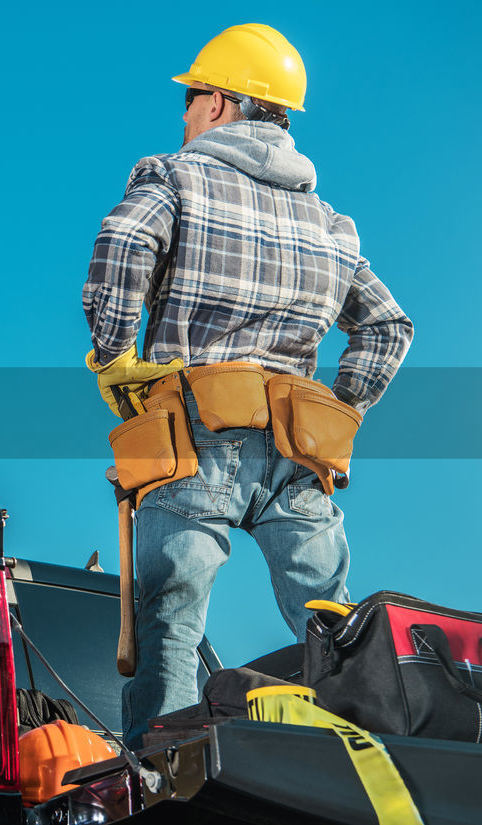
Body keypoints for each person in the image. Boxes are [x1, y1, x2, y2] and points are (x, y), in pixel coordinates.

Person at [80, 23, 413, 748]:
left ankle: (161, 767)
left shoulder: (176, 177)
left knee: (171, 613)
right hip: (297, 451)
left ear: (226, 103)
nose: (185, 112)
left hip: (194, 437)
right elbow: (389, 327)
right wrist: (339, 409)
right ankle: (365, 754)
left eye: (194, 96)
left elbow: (124, 242)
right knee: (332, 622)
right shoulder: (330, 224)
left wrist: (113, 351)